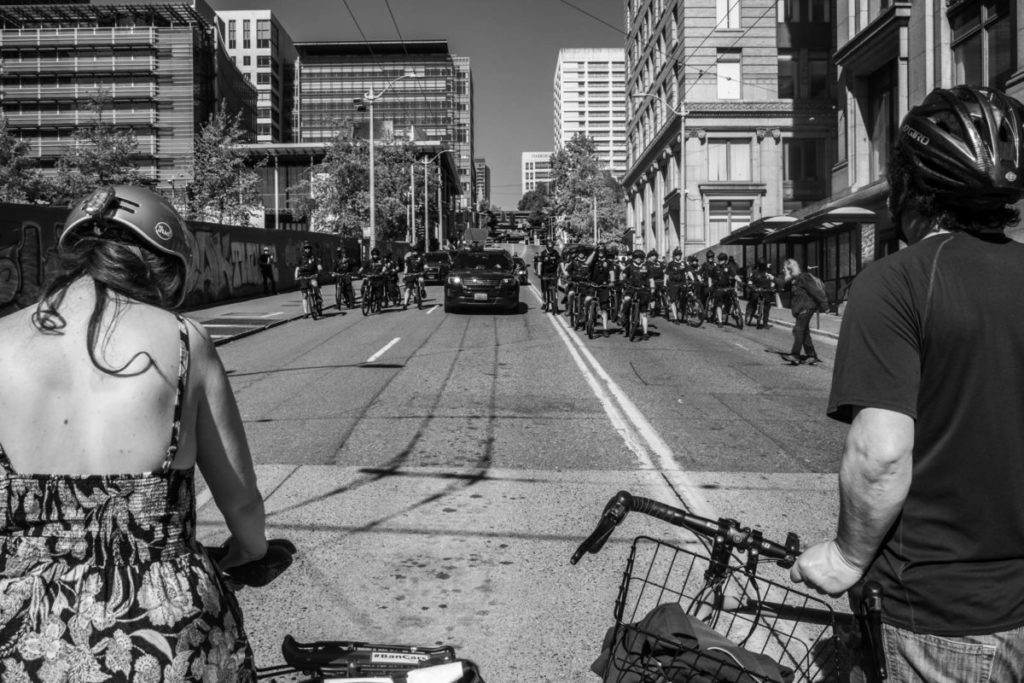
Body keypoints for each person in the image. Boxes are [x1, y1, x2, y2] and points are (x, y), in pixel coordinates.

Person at [791, 85, 1024, 681]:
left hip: (944, 614)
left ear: (909, 190)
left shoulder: (897, 282)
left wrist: (846, 556)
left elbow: (881, 455)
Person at [0, 185, 266, 680]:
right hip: (165, 638)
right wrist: (250, 550)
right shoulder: (185, 341)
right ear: (166, 267)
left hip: (23, 633)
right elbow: (243, 505)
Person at [780, 258, 826, 364]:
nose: (783, 270)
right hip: (801, 308)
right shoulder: (794, 280)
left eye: (785, 268)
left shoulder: (804, 277)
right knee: (804, 332)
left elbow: (816, 291)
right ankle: (812, 355)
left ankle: (795, 355)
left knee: (798, 330)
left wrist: (825, 304)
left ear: (791, 268)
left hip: (806, 308)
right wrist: (787, 275)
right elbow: (783, 285)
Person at [745, 259, 776, 329]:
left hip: (766, 291)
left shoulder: (768, 273)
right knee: (753, 301)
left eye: (763, 265)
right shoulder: (754, 272)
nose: (763, 267)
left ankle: (765, 322)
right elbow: (750, 282)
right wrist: (754, 287)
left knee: (767, 306)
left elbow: (772, 281)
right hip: (756, 291)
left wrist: (772, 287)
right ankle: (751, 312)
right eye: (761, 265)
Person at [535, 239, 561, 314]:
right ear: (547, 246)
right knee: (544, 290)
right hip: (545, 274)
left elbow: (559, 263)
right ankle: (544, 302)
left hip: (553, 274)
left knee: (555, 290)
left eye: (552, 246)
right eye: (549, 247)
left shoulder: (556, 253)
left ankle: (556, 305)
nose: (551, 248)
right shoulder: (543, 253)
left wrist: (558, 272)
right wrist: (539, 273)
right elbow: (540, 264)